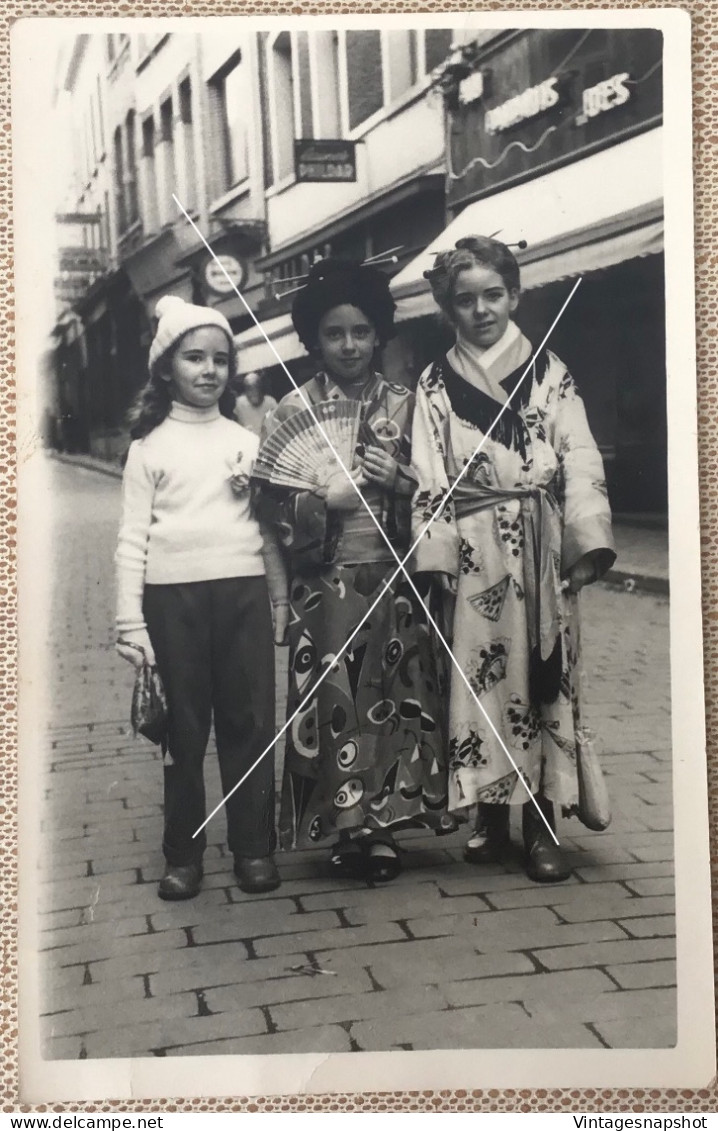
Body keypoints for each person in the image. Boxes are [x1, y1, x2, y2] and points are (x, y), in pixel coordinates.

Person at [411, 236, 616, 883]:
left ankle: (543, 821)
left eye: (493, 294)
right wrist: (436, 547)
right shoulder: (435, 382)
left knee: (542, 676)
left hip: (539, 542)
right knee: (480, 677)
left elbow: (578, 453)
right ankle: (491, 816)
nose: (481, 310)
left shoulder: (549, 371)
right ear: (448, 307)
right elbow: (428, 469)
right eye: (465, 299)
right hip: (474, 546)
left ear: (516, 295)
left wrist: (585, 539)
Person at [256, 258, 455, 883]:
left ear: (380, 334)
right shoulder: (291, 410)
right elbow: (270, 506)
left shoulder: (407, 404)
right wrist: (321, 502)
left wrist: (403, 484)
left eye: (362, 332)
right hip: (324, 586)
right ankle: (344, 829)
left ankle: (385, 828)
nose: (349, 345)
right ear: (314, 338)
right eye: (335, 333)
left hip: (394, 579)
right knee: (334, 702)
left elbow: (437, 491)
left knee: (393, 700)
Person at [115, 296, 289, 901]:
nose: (209, 370)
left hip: (240, 593)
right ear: (167, 368)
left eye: (220, 359)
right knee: (182, 729)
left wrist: (279, 601)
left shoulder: (246, 440)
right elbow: (131, 537)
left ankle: (253, 848)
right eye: (194, 357)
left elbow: (266, 531)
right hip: (172, 601)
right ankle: (183, 854)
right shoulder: (149, 447)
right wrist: (129, 622)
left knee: (249, 721)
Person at [234, 370, 278, 436]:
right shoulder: (239, 403)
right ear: (245, 392)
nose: (253, 393)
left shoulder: (270, 402)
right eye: (249, 389)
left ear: (261, 389)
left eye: (256, 388)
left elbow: (278, 422)